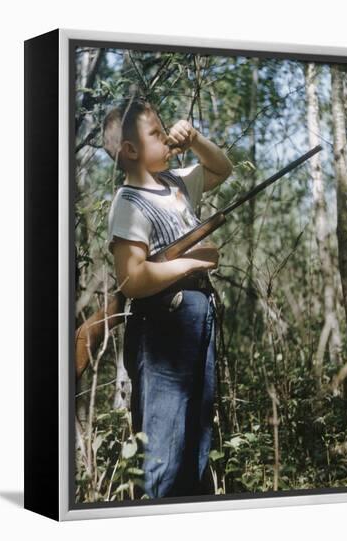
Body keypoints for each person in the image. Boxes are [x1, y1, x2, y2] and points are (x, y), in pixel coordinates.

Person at [102, 97, 233, 498]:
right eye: (156, 133)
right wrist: (190, 265)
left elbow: (222, 168)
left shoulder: (176, 183)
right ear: (130, 150)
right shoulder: (129, 202)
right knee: (163, 448)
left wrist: (193, 138)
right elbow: (133, 280)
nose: (166, 138)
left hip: (197, 319)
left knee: (196, 439)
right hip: (163, 323)